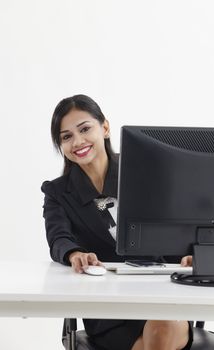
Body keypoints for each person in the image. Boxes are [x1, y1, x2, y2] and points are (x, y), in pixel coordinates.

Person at [41, 94, 193, 350]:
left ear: (105, 127)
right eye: (66, 137)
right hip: (107, 307)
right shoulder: (57, 192)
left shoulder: (145, 172)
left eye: (85, 129)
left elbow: (176, 227)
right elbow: (58, 237)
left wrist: (191, 254)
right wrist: (74, 253)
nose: (77, 141)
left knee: (163, 326)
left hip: (160, 292)